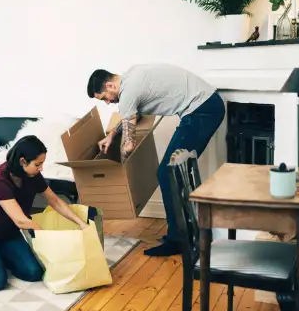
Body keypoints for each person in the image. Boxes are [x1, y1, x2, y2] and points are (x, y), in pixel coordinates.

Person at [87, 63, 225, 257]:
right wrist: (111, 135)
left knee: (168, 173)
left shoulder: (128, 92)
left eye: (104, 99)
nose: (108, 103)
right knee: (175, 172)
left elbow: (128, 144)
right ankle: (188, 233)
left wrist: (117, 169)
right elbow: (131, 116)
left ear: (109, 86)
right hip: (205, 106)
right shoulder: (132, 77)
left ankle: (178, 240)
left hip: (201, 111)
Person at [0, 135, 89, 291]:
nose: (41, 168)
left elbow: (55, 201)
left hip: (8, 235)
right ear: (23, 161)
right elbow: (21, 221)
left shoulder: (33, 175)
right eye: (38, 164)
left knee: (33, 273)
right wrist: (51, 239)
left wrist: (81, 223)